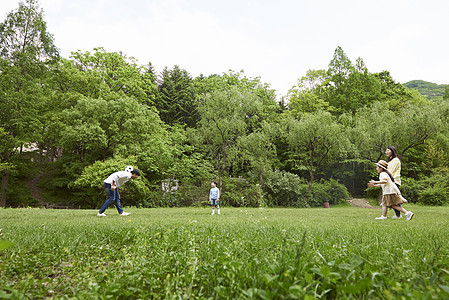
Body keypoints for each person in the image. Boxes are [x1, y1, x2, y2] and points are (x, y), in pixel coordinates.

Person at [386, 146, 403, 219]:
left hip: (394, 181)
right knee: (393, 199)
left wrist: (384, 178)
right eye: (386, 151)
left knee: (395, 199)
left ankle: (400, 214)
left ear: (392, 151)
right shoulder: (390, 161)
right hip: (390, 181)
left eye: (388, 150)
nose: (386, 152)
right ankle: (398, 215)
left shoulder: (396, 160)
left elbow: (391, 171)